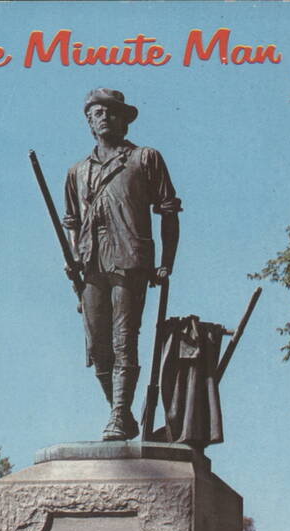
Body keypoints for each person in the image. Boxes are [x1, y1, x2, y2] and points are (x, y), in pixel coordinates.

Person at [63, 88, 181, 441]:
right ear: (89, 122)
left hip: (131, 259)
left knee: (123, 341)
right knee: (96, 345)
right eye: (97, 113)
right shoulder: (77, 172)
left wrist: (166, 262)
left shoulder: (145, 159)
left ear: (124, 120)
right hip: (91, 263)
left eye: (112, 113)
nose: (104, 118)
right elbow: (71, 221)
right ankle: (125, 414)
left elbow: (169, 210)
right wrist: (74, 259)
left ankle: (117, 416)